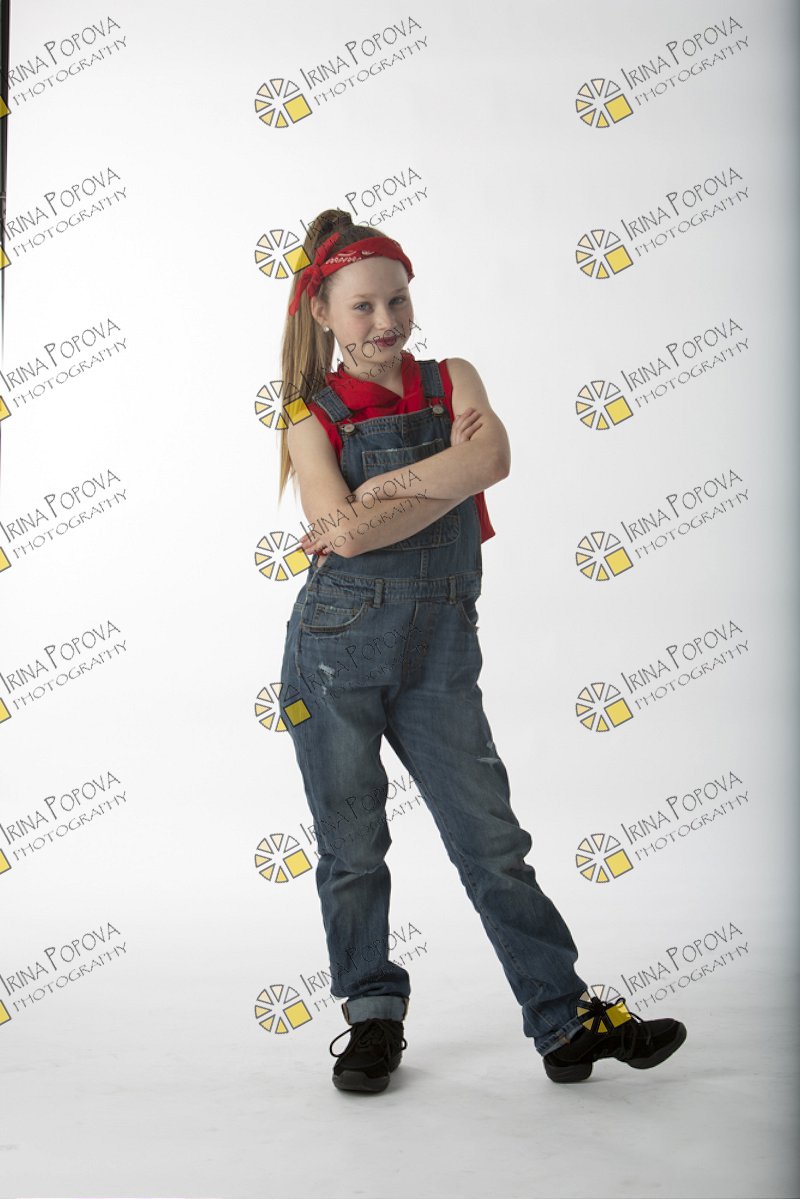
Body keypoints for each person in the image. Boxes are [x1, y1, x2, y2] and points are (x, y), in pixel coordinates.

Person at [276, 208, 687, 1092]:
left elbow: (490, 460)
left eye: (397, 301)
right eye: (362, 307)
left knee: (492, 841)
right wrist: (436, 481)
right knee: (354, 847)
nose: (385, 322)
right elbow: (339, 533)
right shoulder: (308, 416)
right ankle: (372, 1014)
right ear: (322, 314)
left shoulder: (452, 376)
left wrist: (383, 488)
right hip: (336, 653)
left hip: (440, 652)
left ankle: (563, 1019)